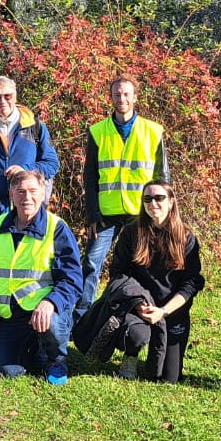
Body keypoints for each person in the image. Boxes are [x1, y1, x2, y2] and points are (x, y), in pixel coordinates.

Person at [0, 169, 82, 384]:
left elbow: (72, 280)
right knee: (7, 371)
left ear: (43, 193)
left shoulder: (57, 228)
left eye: (33, 191)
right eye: (21, 191)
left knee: (50, 322)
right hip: (10, 316)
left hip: (45, 313)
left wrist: (51, 302)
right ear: (11, 194)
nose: (27, 197)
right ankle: (36, 352)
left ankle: (56, 358)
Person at [77, 77, 170, 321]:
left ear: (135, 97)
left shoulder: (153, 131)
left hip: (142, 213)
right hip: (106, 215)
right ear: (111, 97)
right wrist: (92, 215)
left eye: (127, 94)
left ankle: (142, 312)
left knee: (145, 266)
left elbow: (163, 176)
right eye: (117, 95)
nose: (122, 99)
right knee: (91, 265)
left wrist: (162, 211)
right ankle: (83, 317)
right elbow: (90, 177)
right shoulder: (98, 131)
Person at [107, 181, 203, 382]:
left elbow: (190, 283)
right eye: (147, 199)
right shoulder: (131, 232)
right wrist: (138, 304)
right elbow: (118, 272)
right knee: (136, 336)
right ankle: (131, 355)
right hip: (139, 303)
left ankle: (158, 360)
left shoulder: (186, 237)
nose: (153, 203)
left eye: (159, 198)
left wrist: (164, 311)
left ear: (171, 202)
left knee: (168, 377)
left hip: (171, 309)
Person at [0, 75, 60, 248]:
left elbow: (52, 164)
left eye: (8, 96)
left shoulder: (35, 126)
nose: (2, 101)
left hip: (28, 209)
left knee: (27, 262)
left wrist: (25, 169)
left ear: (15, 96)